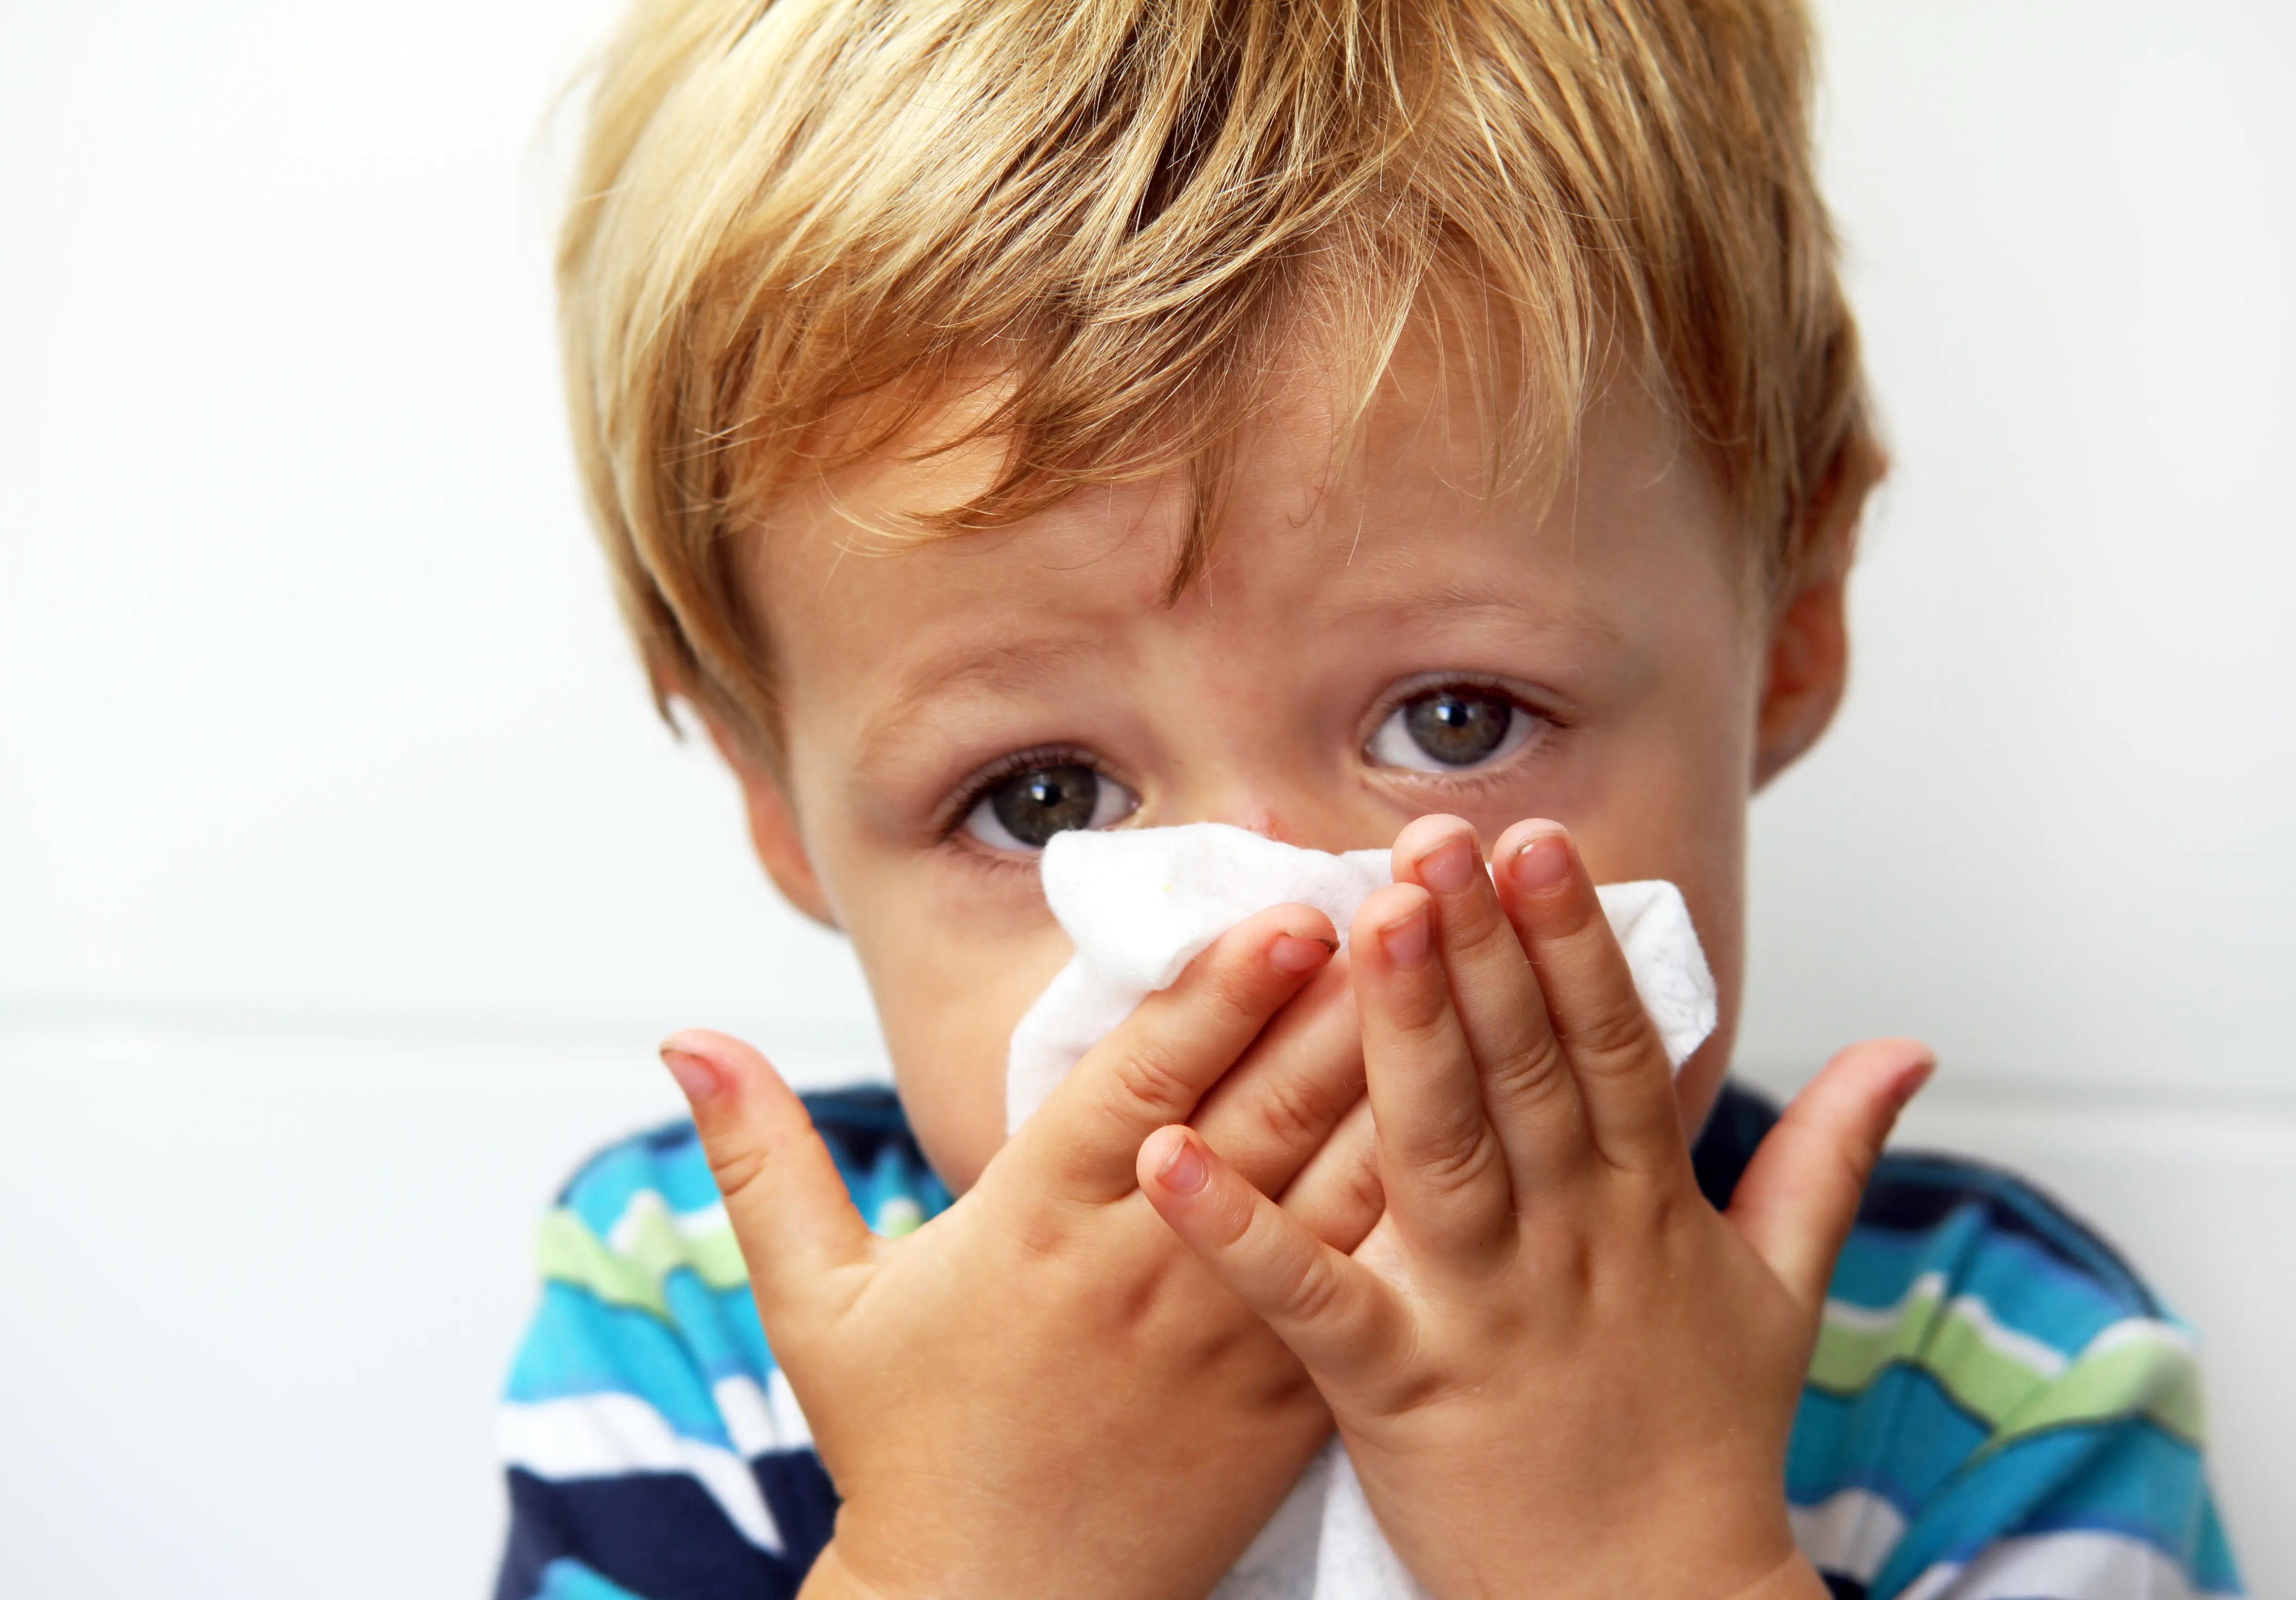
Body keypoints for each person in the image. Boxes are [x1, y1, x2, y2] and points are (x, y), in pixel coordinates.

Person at [495, 2, 2240, 1596]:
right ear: (782, 807)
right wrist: (969, 1555)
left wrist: (1646, 1555)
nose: (1273, 937)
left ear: (1787, 637)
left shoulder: (1994, 1388)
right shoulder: (697, 1341)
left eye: (1459, 720)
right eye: (1040, 798)